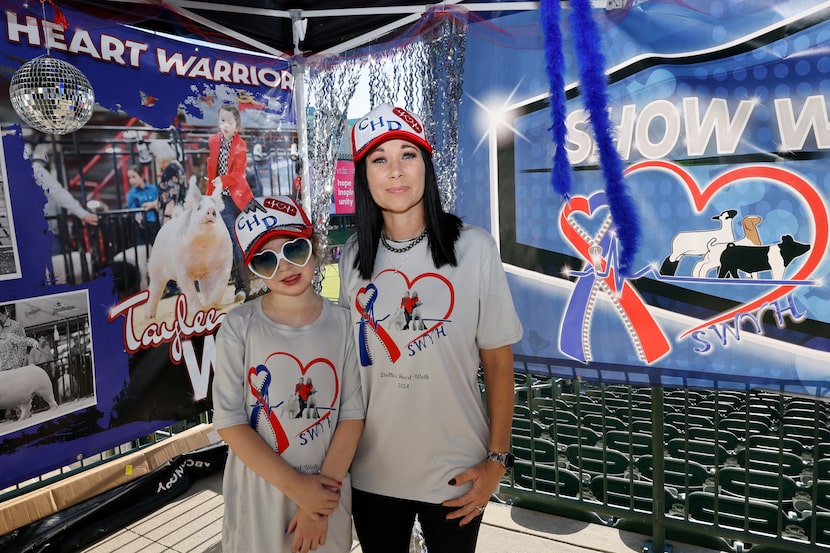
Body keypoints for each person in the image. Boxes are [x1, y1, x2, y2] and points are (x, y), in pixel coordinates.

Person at [338, 103, 523, 553]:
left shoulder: (474, 249)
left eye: (409, 155)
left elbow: (499, 365)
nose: (396, 172)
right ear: (363, 176)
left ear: (427, 164)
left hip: (456, 473)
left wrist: (497, 462)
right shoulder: (350, 258)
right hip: (371, 472)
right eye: (380, 160)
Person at [212, 195, 364, 553]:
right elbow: (230, 421)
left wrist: (318, 505)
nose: (284, 267)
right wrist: (299, 489)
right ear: (253, 271)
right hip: (259, 500)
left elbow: (352, 416)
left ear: (313, 247)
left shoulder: (344, 323)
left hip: (328, 499)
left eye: (294, 250)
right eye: (266, 260)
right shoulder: (238, 325)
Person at [204, 104, 264, 303]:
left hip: (238, 200)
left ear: (237, 124)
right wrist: (208, 198)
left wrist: (223, 180)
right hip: (218, 199)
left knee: (239, 244)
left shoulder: (240, 145)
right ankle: (227, 287)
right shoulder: (213, 142)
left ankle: (243, 288)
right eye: (222, 121)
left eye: (230, 121)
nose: (225, 125)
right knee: (223, 244)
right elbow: (210, 171)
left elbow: (238, 174)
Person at [28, 144, 98, 254]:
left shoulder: (31, 169)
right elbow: (56, 191)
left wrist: (81, 213)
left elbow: (56, 192)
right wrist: (81, 213)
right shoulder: (32, 169)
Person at [149, 139, 187, 224]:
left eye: (155, 156)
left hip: (173, 214)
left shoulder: (170, 170)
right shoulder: (176, 165)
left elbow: (172, 195)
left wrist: (167, 217)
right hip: (179, 210)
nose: (155, 160)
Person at [125, 164, 159, 243]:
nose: (131, 180)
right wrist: (137, 215)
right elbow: (132, 209)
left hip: (155, 223)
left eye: (134, 177)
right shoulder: (131, 194)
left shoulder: (153, 189)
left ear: (142, 176)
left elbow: (158, 201)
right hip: (141, 227)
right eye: (129, 178)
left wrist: (153, 204)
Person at [0, 306, 38, 371]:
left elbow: (23, 344)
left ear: (5, 313)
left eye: (0, 315)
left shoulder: (15, 326)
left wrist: (18, 364)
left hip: (15, 366)